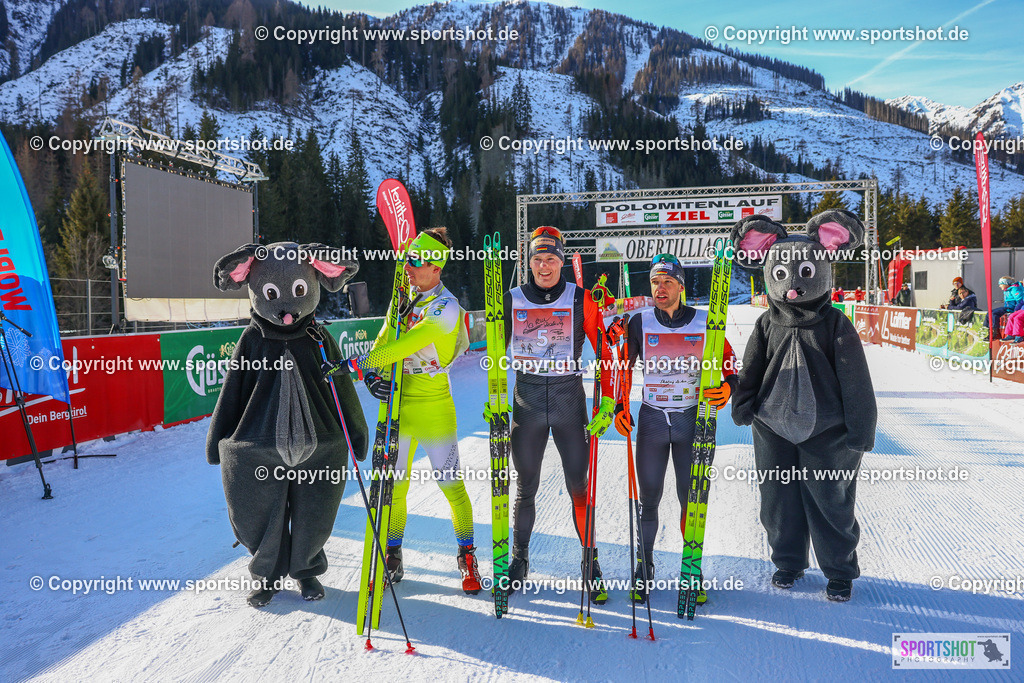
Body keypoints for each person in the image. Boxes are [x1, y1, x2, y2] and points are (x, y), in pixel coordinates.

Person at [323, 227, 481, 594]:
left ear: (436, 267)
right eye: (406, 260)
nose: (407, 267)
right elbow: (386, 337)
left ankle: (467, 555)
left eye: (415, 261)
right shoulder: (405, 296)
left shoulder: (446, 307)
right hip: (396, 401)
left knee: (450, 485)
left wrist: (358, 365)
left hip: (433, 405)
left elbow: (408, 343)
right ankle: (393, 555)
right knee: (394, 487)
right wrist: (374, 374)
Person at [730, 211, 877, 603]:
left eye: (805, 274)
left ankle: (839, 571)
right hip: (772, 427)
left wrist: (862, 426)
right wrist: (743, 401)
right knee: (777, 499)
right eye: (781, 275)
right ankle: (788, 561)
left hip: (828, 432)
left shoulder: (835, 325)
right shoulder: (766, 324)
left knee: (830, 499)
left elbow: (855, 379)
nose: (793, 286)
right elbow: (752, 368)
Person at [496, 225, 615, 603]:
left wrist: (609, 401)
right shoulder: (511, 298)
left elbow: (606, 353)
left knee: (579, 488)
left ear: (561, 262)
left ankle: (589, 563)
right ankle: (520, 559)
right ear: (527, 262)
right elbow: (496, 356)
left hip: (568, 404)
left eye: (551, 258)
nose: (543, 266)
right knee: (525, 486)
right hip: (527, 403)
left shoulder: (581, 299)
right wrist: (495, 401)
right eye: (536, 258)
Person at [614, 253, 737, 605]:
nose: (661, 288)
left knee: (692, 499)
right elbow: (622, 369)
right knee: (648, 498)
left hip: (691, 420)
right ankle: (645, 567)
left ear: (681, 286)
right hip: (653, 420)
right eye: (655, 282)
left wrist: (728, 388)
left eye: (668, 281)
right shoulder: (639, 323)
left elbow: (730, 368)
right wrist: (621, 405)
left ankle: (691, 567)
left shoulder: (706, 322)